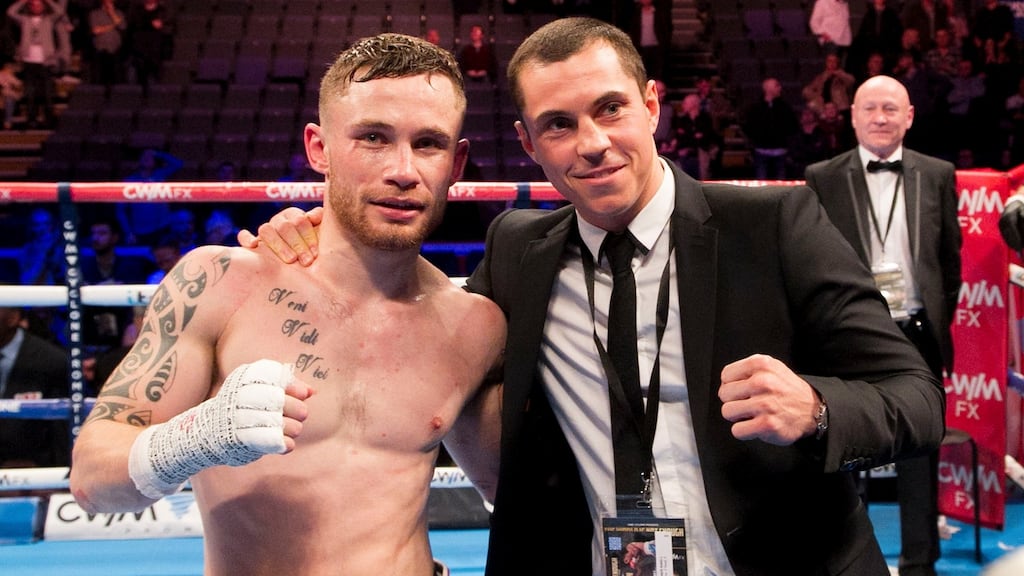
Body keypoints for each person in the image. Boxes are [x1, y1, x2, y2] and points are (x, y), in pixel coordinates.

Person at [249, 18, 946, 576]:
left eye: (610, 109)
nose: (592, 144)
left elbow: (915, 397)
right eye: (558, 124)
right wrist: (312, 236)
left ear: (650, 106)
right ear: (528, 144)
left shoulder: (773, 226)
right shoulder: (517, 250)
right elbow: (413, 306)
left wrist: (818, 409)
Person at [69, 33, 505, 576]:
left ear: (456, 162)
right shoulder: (222, 284)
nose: (403, 170)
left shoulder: (474, 326)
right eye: (373, 137)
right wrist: (194, 439)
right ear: (318, 147)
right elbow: (91, 480)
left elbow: (508, 490)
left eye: (429, 143)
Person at [804, 74, 962, 576]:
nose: (879, 118)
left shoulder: (937, 173)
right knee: (844, 445)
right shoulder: (822, 176)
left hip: (916, 332)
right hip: (851, 330)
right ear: (852, 115)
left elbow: (949, 263)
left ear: (909, 116)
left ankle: (920, 565)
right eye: (869, 108)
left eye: (890, 109)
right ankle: (849, 561)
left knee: (920, 450)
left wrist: (933, 320)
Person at [0, 305, 70, 467]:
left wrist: (59, 480)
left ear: (13, 318)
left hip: (35, 472)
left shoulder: (51, 361)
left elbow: (61, 431)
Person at [6, 0, 66, 128]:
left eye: (39, 5)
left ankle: (49, 119)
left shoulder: (49, 19)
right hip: (29, 62)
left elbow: (60, 11)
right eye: (33, 5)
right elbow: (10, 12)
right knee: (30, 93)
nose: (36, 7)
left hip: (46, 62)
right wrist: (23, 1)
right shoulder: (24, 20)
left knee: (48, 93)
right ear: (29, 6)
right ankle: (31, 119)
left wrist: (47, 1)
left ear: (43, 6)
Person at [742, 76, 798, 180]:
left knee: (781, 185)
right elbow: (749, 126)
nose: (780, 88)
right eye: (777, 85)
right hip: (761, 151)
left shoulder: (785, 107)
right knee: (761, 184)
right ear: (768, 88)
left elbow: (792, 126)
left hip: (780, 151)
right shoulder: (756, 108)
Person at [87, 0, 125, 86]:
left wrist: (112, 13)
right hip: (100, 49)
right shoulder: (95, 14)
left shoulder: (119, 13)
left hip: (115, 50)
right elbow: (96, 30)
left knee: (116, 79)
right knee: (100, 78)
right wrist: (113, 25)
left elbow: (122, 26)